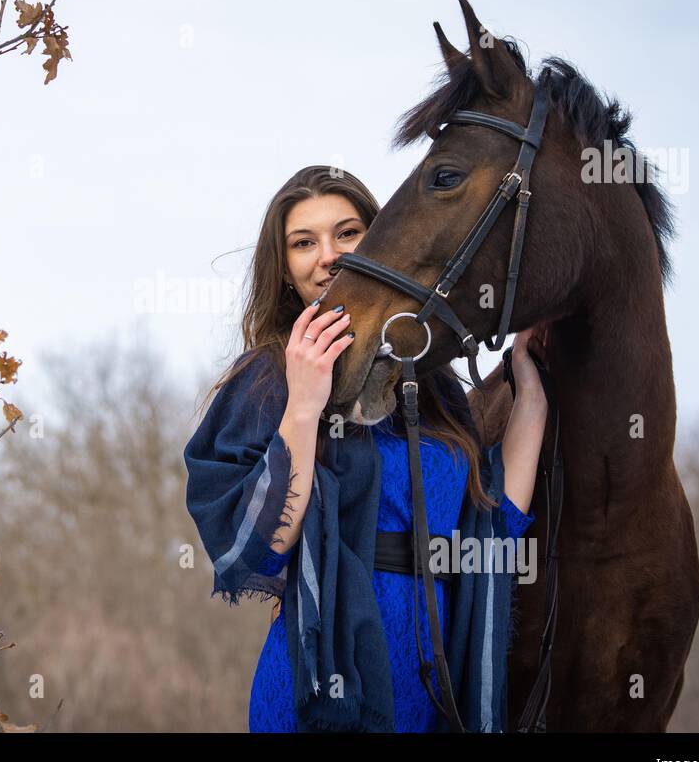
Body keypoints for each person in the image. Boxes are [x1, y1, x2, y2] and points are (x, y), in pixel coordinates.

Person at [184, 165, 549, 732]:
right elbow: (261, 551)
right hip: (324, 692)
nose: (328, 255)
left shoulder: (431, 384)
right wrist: (304, 405)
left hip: (436, 684)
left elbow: (490, 528)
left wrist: (530, 395)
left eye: (348, 233)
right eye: (304, 243)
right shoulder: (264, 378)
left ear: (383, 244)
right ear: (285, 271)